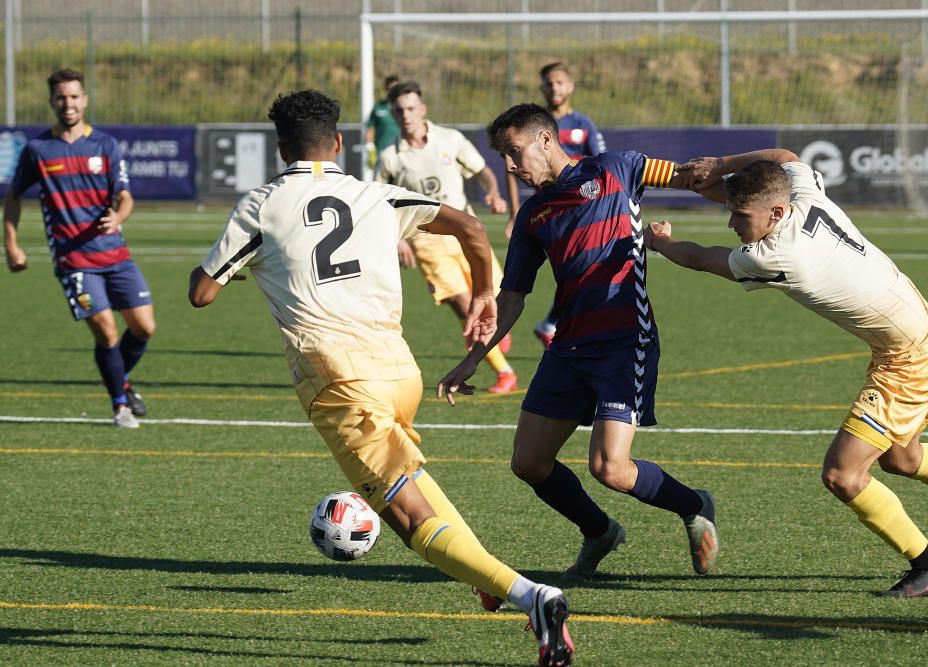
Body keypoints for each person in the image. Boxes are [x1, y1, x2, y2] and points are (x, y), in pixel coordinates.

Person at [188, 90, 574, 666]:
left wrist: (234, 267)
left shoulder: (263, 205)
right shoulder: (376, 193)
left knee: (407, 518)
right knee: (409, 483)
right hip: (398, 369)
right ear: (338, 143)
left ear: (280, 148)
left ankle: (531, 597)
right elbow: (470, 227)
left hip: (337, 377)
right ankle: (485, 575)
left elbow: (202, 293)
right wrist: (483, 299)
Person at [644, 148, 928, 597]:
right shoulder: (806, 194)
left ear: (775, 212)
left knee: (842, 474)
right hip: (924, 334)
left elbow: (702, 258)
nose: (732, 224)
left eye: (740, 216)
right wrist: (722, 166)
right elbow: (785, 155)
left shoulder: (776, 256)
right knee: (902, 458)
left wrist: (660, 241)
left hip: (910, 360)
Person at [438, 103, 720, 581]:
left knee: (611, 468)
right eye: (503, 156)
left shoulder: (618, 168)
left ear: (546, 140)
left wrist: (753, 195)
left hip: (624, 340)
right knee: (528, 463)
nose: (509, 165)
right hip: (569, 346)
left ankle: (694, 505)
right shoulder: (533, 215)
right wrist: (473, 359)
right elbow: (512, 298)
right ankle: (599, 530)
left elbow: (693, 177)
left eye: (513, 152)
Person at [3, 68, 153, 429]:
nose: (67, 103)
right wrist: (11, 245)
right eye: (60, 97)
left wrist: (118, 216)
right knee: (106, 331)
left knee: (144, 328)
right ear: (52, 101)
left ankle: (120, 379)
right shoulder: (38, 149)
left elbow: (126, 196)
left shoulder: (105, 145)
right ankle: (120, 405)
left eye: (74, 96)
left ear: (84, 100)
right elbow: (13, 197)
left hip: (115, 253)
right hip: (74, 260)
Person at [377, 80, 517, 394]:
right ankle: (504, 372)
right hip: (426, 241)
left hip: (468, 233)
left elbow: (483, 171)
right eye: (399, 111)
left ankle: (496, 339)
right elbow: (380, 202)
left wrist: (493, 193)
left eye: (411, 108)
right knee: (468, 307)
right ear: (393, 115)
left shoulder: (451, 140)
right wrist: (397, 239)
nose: (406, 115)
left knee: (498, 298)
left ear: (422, 109)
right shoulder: (390, 158)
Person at [505, 62, 607, 348]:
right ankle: (557, 326)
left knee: (583, 268)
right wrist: (514, 213)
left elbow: (602, 162)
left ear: (570, 85)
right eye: (549, 83)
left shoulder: (582, 124)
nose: (555, 88)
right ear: (542, 88)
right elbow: (510, 169)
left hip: (582, 206)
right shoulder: (531, 125)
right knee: (571, 269)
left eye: (560, 82)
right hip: (550, 210)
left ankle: (555, 325)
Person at [364, 74, 400, 173]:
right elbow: (370, 128)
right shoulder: (378, 107)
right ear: (386, 89)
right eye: (390, 88)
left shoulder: (404, 107)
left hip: (401, 153)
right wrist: (370, 148)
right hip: (382, 153)